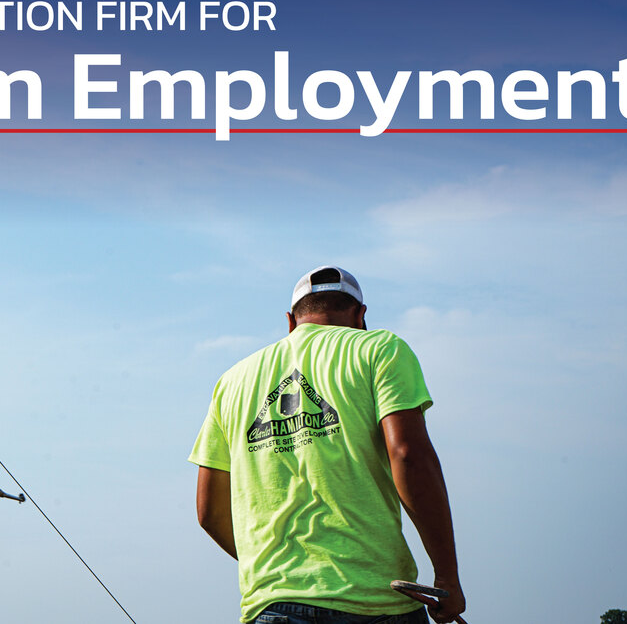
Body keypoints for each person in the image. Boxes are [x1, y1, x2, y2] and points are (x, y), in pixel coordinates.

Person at [190, 266, 465, 624]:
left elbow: (208, 511)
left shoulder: (232, 382)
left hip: (274, 604)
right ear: (360, 316)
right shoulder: (379, 349)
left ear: (291, 321)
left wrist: (278, 571)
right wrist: (447, 577)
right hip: (375, 601)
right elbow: (408, 455)